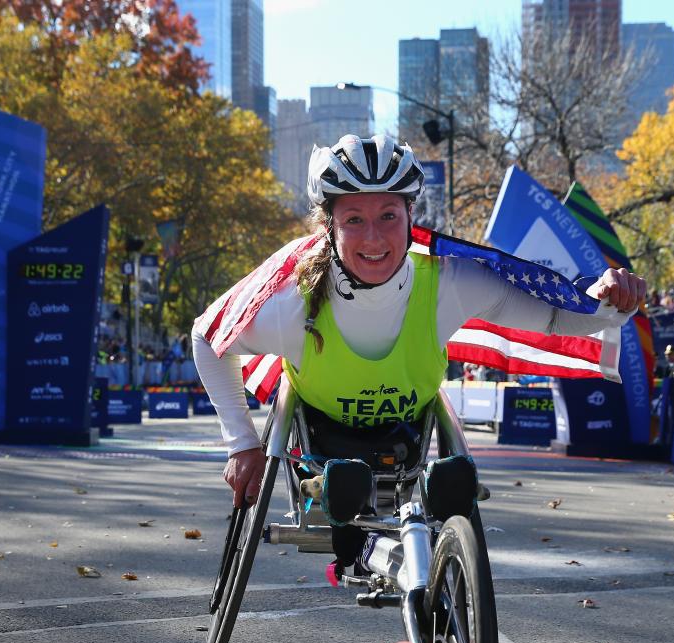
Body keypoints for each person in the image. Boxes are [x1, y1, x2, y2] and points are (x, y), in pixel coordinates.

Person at [192, 133, 644, 507]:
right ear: (328, 228)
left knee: (453, 486)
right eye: (354, 219)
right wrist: (242, 442)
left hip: (407, 438)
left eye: (388, 215)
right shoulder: (292, 300)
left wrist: (610, 300)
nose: (373, 238)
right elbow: (207, 337)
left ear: (411, 217)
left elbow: (552, 318)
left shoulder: (450, 282)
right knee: (344, 492)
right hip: (321, 444)